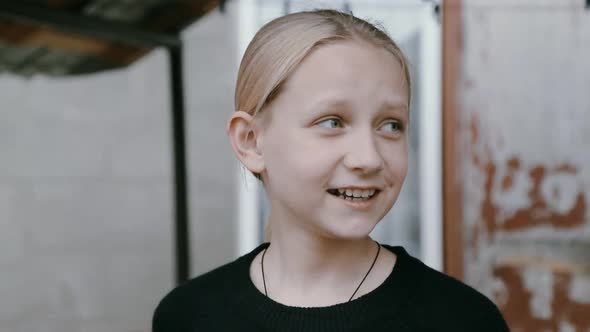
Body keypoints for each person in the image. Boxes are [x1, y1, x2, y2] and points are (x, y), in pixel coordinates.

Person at [152, 9, 510, 332]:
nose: (368, 158)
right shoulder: (189, 316)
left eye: (391, 125)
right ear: (251, 141)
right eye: (332, 121)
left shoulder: (461, 320)